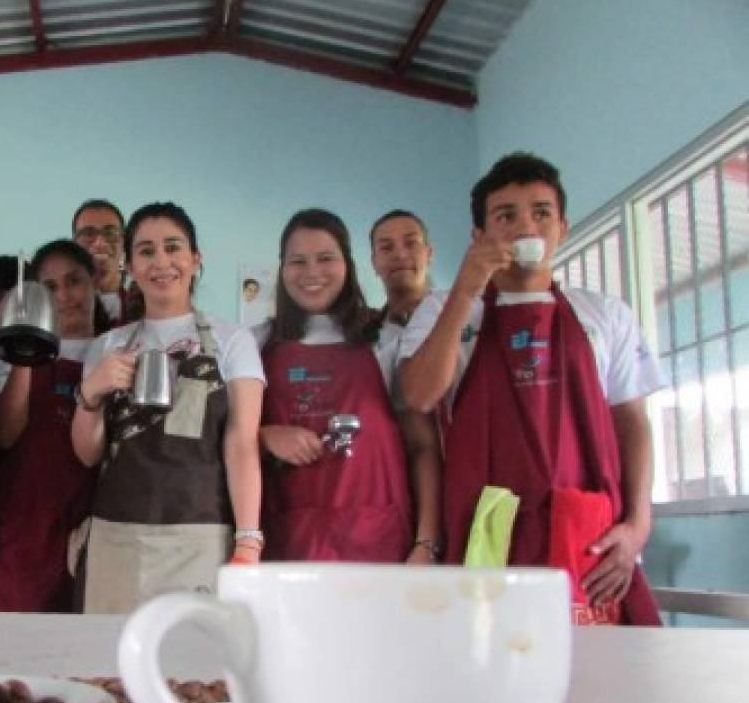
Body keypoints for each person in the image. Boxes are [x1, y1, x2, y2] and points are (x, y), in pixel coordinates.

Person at [399, 152, 662, 625]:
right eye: (506, 216)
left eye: (541, 213)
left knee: (597, 681)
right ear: (479, 234)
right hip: (488, 529)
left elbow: (633, 425)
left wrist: (638, 525)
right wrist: (466, 287)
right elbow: (418, 395)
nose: (526, 227)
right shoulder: (448, 309)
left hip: (588, 532)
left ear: (563, 226)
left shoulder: (604, 313)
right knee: (496, 670)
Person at [72, 202, 265, 613]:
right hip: (115, 536)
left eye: (173, 247)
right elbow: (88, 454)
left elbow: (241, 444)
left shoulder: (232, 341)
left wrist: (249, 539)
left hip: (199, 539)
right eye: (145, 251)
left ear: (196, 259)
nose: (161, 262)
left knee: (194, 669)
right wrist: (90, 394)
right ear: (130, 265)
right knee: (104, 668)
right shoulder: (107, 346)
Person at [257, 209, 441, 563]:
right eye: (298, 261)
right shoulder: (257, 343)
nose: (312, 272)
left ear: (348, 265)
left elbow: (423, 447)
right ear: (282, 269)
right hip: (291, 545)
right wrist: (266, 436)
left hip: (380, 542)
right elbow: (225, 438)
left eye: (326, 258)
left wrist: (427, 543)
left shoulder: (386, 341)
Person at [0, 240, 108, 611]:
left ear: (94, 283)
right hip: (23, 523)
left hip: (90, 524)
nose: (65, 296)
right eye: (49, 288)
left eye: (74, 282)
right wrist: (26, 349)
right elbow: (5, 434)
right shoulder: (10, 354)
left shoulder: (116, 348)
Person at [369, 209, 434, 396]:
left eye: (411, 243)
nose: (400, 254)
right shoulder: (362, 338)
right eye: (386, 247)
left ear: (429, 254)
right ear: (374, 262)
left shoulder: (464, 317)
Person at [72, 198, 140, 325]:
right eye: (88, 233)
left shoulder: (145, 311)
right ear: (74, 245)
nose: (99, 243)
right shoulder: (58, 312)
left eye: (110, 233)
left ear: (124, 243)